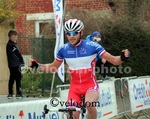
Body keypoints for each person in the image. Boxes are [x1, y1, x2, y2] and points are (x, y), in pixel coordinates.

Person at [29, 19, 130, 119]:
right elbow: (53, 67)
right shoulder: (63, 49)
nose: (71, 36)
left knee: (90, 104)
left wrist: (123, 57)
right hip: (75, 88)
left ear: (81, 32)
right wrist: (37, 66)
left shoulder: (92, 46)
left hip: (90, 86)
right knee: (71, 115)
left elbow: (114, 60)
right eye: (68, 33)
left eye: (74, 33)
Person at [6, 29, 24, 99]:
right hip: (15, 64)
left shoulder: (13, 44)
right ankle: (18, 93)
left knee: (12, 78)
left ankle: (11, 93)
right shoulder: (11, 45)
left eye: (15, 36)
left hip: (13, 64)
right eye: (13, 36)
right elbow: (17, 54)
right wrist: (21, 62)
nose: (15, 38)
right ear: (10, 37)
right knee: (17, 78)